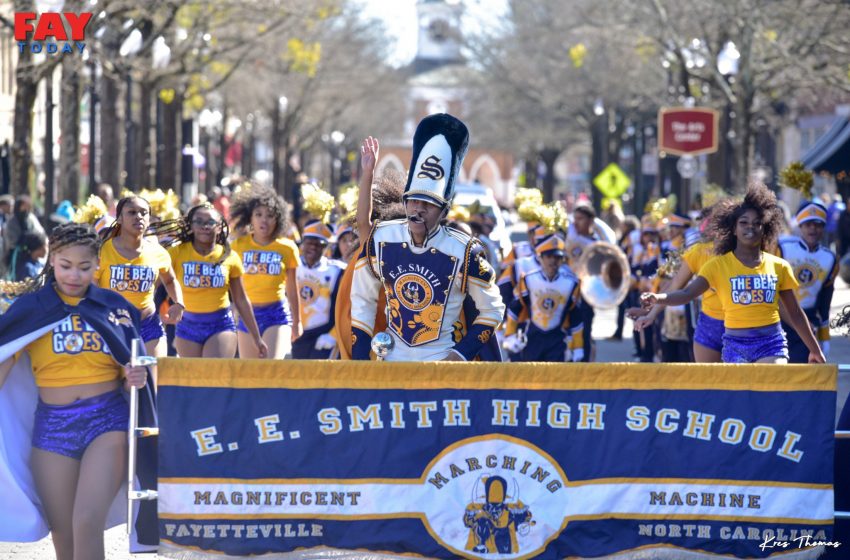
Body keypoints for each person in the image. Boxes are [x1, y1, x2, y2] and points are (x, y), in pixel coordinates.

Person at [0, 222, 150, 559]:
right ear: (52, 260)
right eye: (66, 265)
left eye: (84, 267)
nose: (74, 275)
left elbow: (131, 374)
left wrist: (133, 376)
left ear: (98, 264)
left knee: (86, 521)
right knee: (64, 535)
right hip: (52, 429)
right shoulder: (30, 309)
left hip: (107, 423)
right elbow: (5, 358)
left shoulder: (116, 308)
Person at [349, 115, 505, 361]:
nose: (418, 209)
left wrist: (459, 355)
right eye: (413, 201)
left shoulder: (466, 250)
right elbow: (363, 299)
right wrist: (358, 361)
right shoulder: (382, 237)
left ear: (443, 212)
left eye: (428, 205)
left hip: (442, 366)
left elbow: (493, 310)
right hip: (391, 363)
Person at [641, 183, 825, 364]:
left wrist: (815, 349)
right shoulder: (717, 265)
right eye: (743, 223)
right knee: (735, 393)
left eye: (757, 223)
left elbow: (795, 313)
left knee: (769, 378)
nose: (750, 228)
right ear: (734, 229)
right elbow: (686, 293)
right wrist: (658, 298)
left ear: (765, 229)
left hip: (771, 343)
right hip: (734, 346)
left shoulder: (779, 266)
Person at [164, 203, 267, 358]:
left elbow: (241, 299)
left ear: (219, 227)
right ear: (191, 226)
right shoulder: (176, 253)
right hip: (187, 326)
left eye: (210, 222)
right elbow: (157, 285)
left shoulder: (230, 257)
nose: (204, 226)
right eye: (198, 221)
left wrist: (256, 338)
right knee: (195, 380)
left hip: (220, 325)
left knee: (213, 376)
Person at [95, 196, 185, 359]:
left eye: (144, 213)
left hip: (148, 325)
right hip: (112, 326)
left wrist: (178, 303)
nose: (138, 216)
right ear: (120, 218)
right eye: (132, 212)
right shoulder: (102, 251)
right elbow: (91, 290)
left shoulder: (158, 252)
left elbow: (170, 280)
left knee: (152, 380)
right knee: (119, 383)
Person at [635, 209, 722, 362]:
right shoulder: (697, 252)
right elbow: (680, 288)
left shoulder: (748, 252)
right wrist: (652, 312)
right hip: (705, 322)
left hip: (740, 329)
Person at [230, 186, 301, 359]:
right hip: (247, 316)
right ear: (250, 218)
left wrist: (297, 321)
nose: (264, 220)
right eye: (258, 214)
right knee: (250, 373)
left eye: (270, 215)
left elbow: (292, 288)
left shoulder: (287, 247)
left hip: (276, 314)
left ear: (279, 220)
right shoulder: (238, 246)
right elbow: (230, 285)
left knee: (271, 367)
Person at [503, 235, 583, 362]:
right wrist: (509, 335)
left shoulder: (572, 283)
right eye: (548, 257)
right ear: (540, 257)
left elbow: (576, 317)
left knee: (554, 380)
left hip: (558, 340)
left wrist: (578, 346)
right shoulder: (528, 279)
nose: (552, 261)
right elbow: (514, 308)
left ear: (562, 259)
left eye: (557, 257)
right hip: (532, 338)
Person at [777, 201, 838, 363]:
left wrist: (824, 336)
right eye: (808, 224)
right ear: (800, 226)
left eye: (818, 225)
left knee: (803, 375)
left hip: (808, 321)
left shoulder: (830, 258)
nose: (813, 229)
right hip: (779, 318)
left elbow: (825, 301)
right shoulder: (782, 248)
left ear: (824, 227)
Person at [292, 220, 346, 358]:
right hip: (295, 333)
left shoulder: (337, 271)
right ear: (302, 243)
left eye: (319, 245)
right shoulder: (290, 266)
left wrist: (334, 335)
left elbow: (345, 308)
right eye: (310, 243)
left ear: (326, 248)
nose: (314, 248)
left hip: (323, 336)